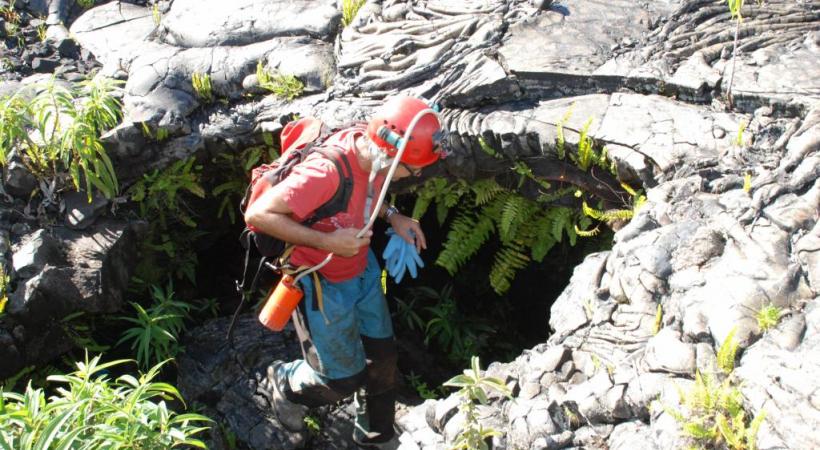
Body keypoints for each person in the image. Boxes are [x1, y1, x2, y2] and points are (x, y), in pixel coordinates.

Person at [244, 96, 445, 449]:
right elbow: (259, 215)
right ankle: (283, 381)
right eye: (414, 171)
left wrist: (394, 216)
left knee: (382, 356)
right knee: (341, 377)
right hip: (319, 279)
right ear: (392, 157)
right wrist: (328, 241)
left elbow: (368, 190)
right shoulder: (325, 172)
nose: (416, 177)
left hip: (361, 268)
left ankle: (374, 434)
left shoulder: (371, 152)